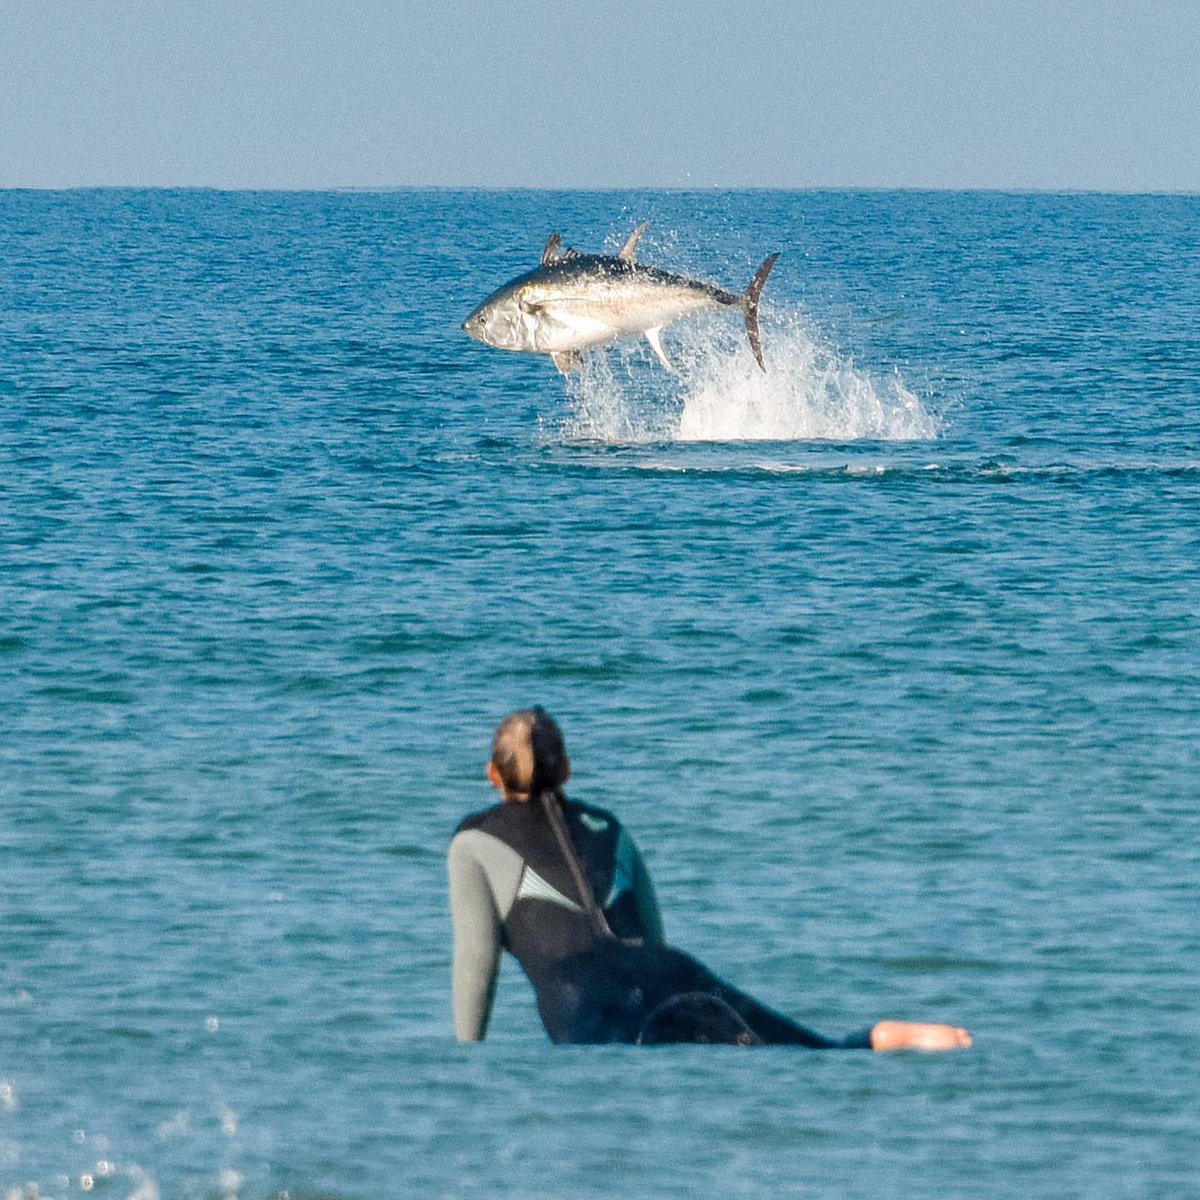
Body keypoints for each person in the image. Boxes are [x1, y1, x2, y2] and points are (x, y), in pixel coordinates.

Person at [448, 708, 972, 1050]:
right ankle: (880, 1038)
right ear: (566, 771)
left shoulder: (473, 843)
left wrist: (464, 1066)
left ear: (492, 774)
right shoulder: (610, 828)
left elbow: (477, 962)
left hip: (583, 999)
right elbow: (653, 939)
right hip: (672, 973)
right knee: (806, 1052)